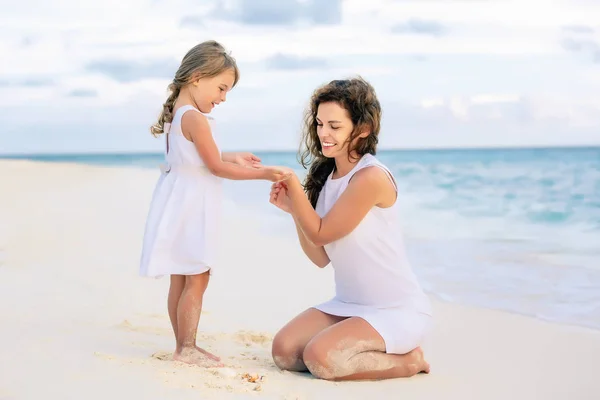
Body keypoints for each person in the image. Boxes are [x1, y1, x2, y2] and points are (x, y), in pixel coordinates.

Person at [269, 77, 432, 381]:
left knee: (321, 359)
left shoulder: (370, 178)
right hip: (349, 305)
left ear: (363, 129)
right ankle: (354, 347)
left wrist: (293, 183)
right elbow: (320, 256)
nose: (323, 134)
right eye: (319, 124)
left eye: (334, 125)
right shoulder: (326, 178)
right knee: (285, 351)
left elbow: (320, 232)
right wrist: (294, 210)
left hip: (395, 309)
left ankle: (410, 361)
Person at [139, 40, 290, 367]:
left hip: (179, 198)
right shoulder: (194, 118)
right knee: (198, 272)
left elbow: (195, 157)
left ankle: (182, 345)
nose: (222, 98)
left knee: (181, 274)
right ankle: (187, 347)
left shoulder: (180, 113)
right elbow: (215, 168)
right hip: (193, 203)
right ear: (196, 77)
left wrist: (232, 155)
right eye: (221, 88)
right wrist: (264, 174)